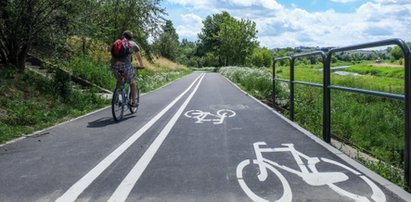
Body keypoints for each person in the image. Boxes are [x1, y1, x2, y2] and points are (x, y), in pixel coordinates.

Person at [111, 30, 144, 107]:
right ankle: (134, 102)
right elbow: (138, 57)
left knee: (119, 80)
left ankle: (116, 97)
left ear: (123, 35)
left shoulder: (117, 42)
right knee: (132, 83)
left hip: (114, 66)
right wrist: (141, 65)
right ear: (131, 37)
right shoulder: (132, 44)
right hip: (126, 66)